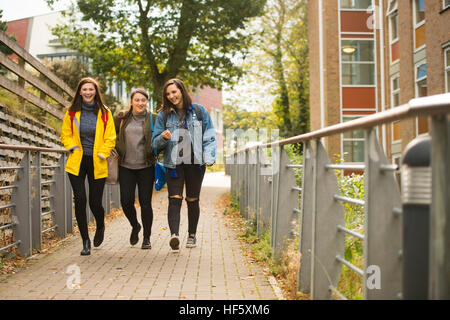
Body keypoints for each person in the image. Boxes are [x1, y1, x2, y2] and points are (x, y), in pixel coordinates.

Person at [151, 78, 217, 253]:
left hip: (195, 163)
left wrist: (209, 157)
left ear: (182, 90)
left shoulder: (199, 111)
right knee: (174, 199)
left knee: (192, 200)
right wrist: (162, 138)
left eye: (174, 92)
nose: (172, 96)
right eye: (168, 94)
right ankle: (174, 235)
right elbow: (155, 144)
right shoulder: (163, 115)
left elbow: (209, 137)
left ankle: (192, 235)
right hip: (174, 163)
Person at [60, 77, 116, 256]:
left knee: (94, 202)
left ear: (95, 91)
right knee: (80, 199)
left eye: (91, 89)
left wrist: (104, 152)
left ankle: (100, 226)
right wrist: (71, 146)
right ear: (79, 92)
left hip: (97, 161)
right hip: (77, 161)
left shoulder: (105, 112)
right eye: (84, 89)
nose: (88, 92)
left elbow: (111, 137)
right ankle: (85, 241)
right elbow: (65, 134)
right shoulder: (71, 112)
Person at [114, 88, 156, 249]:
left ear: (147, 102)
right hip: (126, 166)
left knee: (146, 203)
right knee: (126, 201)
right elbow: (111, 135)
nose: (140, 103)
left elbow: (159, 138)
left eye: (143, 100)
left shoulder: (153, 118)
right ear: (131, 102)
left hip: (146, 166)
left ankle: (147, 238)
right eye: (137, 100)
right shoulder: (122, 118)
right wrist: (117, 148)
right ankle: (135, 226)